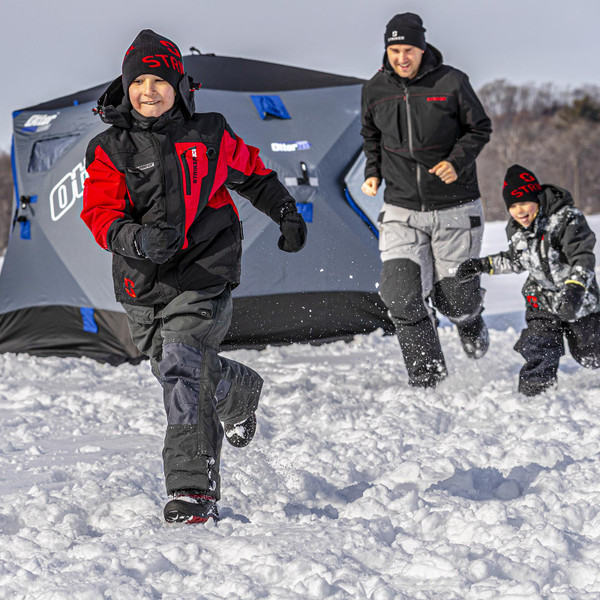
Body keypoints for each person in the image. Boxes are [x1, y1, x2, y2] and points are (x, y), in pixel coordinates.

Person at [81, 29, 307, 523]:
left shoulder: (209, 133)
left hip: (206, 270)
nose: (148, 91)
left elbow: (252, 175)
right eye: (138, 81)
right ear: (126, 86)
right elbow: (99, 214)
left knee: (184, 367)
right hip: (143, 285)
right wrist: (138, 240)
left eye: (159, 80)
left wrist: (285, 211)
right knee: (177, 370)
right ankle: (237, 391)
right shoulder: (109, 148)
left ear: (178, 85)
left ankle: (192, 489)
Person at [360, 13, 492, 388]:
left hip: (455, 207)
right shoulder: (374, 89)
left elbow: (479, 127)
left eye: (409, 50)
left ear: (422, 48)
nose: (402, 57)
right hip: (401, 209)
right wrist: (373, 171)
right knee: (400, 296)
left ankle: (469, 319)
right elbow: (370, 135)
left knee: (456, 300)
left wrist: (456, 161)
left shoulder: (451, 82)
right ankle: (427, 377)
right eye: (395, 49)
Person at [456, 164, 600, 396]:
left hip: (577, 296)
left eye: (524, 202)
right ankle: (534, 395)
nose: (519, 211)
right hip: (541, 299)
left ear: (538, 198)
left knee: (590, 355)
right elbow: (516, 260)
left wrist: (574, 290)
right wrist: (482, 265)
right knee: (538, 345)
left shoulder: (566, 219)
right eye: (512, 205)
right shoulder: (516, 229)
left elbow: (582, 258)